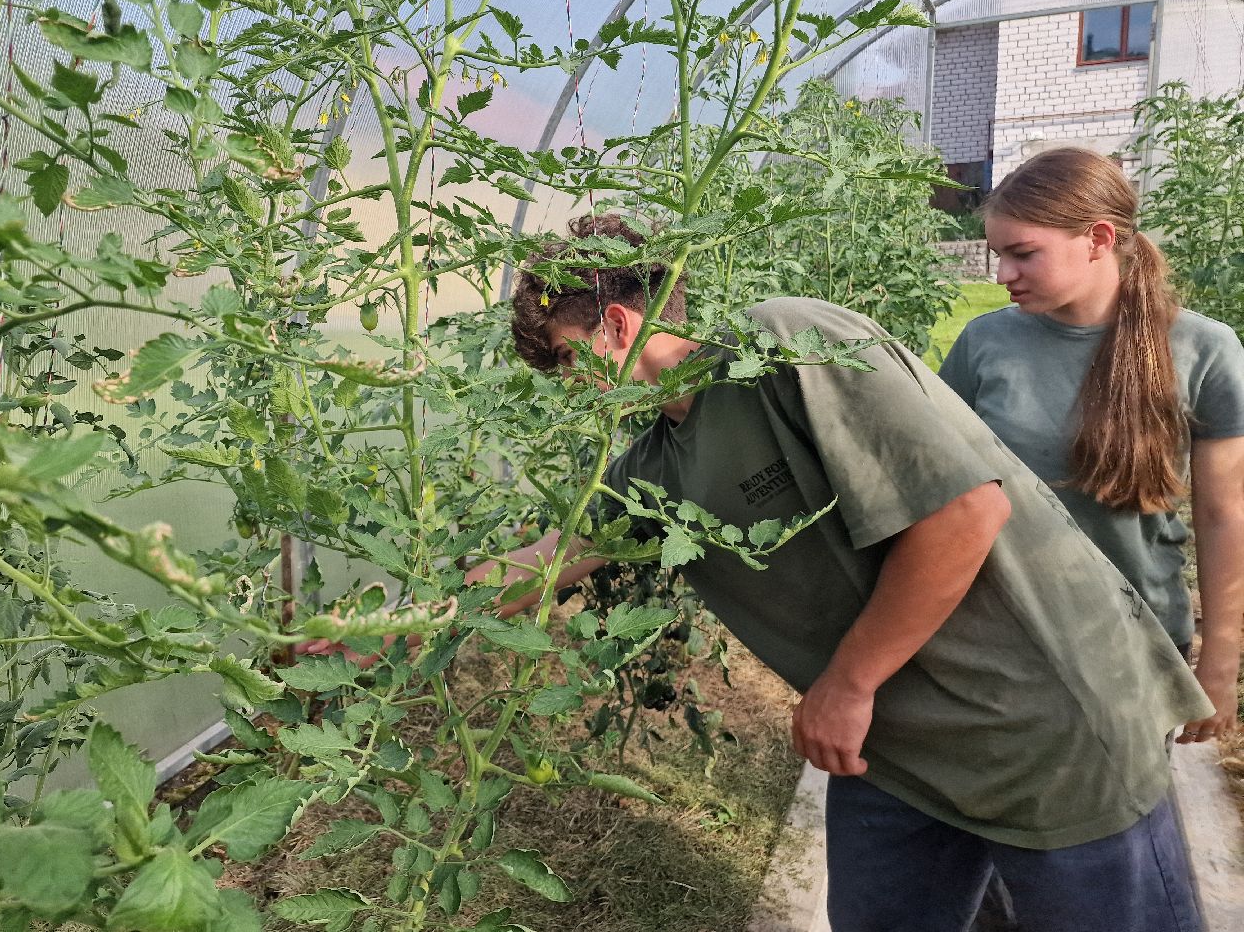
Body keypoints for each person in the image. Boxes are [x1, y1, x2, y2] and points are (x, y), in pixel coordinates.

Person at [495, 211, 1211, 932]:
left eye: (567, 360)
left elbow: (965, 514)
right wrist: (397, 625)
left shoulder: (785, 345)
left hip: (1045, 727)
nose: (569, 387)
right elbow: (545, 562)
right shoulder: (652, 465)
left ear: (618, 326)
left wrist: (848, 683)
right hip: (897, 757)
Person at [939, 147, 1244, 748]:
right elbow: (944, 490)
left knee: (1116, 827)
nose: (1003, 275)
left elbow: (1223, 514)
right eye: (999, 255)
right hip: (1007, 636)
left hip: (1137, 641)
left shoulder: (1204, 350)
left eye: (1023, 253)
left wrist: (1221, 659)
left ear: (1099, 237)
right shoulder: (984, 343)